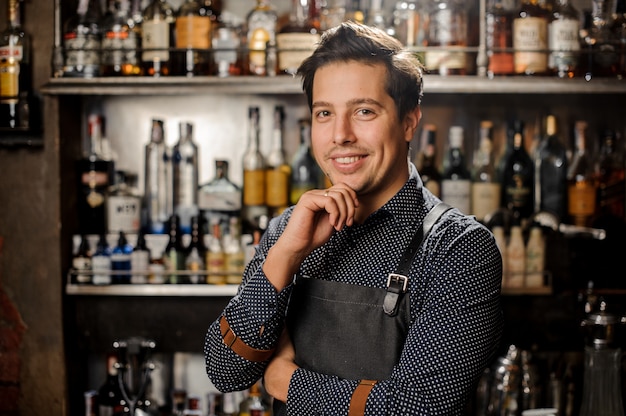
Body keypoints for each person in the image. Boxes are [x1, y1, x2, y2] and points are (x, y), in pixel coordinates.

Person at [204, 21, 503, 415]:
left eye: (364, 111)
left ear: (409, 121)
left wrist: (286, 382)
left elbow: (420, 407)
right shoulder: (288, 230)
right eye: (324, 113)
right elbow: (226, 372)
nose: (340, 135)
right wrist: (287, 254)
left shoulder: (459, 249)